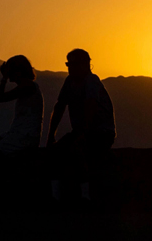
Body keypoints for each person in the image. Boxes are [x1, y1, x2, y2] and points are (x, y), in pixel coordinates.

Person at [46, 49, 116, 202]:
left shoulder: (91, 81)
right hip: (81, 131)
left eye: (72, 64)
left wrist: (82, 134)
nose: (69, 68)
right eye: (68, 64)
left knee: (77, 150)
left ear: (85, 65)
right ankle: (55, 196)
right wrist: (51, 135)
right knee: (55, 152)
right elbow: (59, 107)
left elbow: (90, 106)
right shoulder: (69, 81)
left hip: (101, 132)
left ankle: (85, 196)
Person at [0, 55, 43, 154]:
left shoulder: (28, 86)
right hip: (17, 135)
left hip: (24, 138)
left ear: (18, 70)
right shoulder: (28, 86)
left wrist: (4, 79)